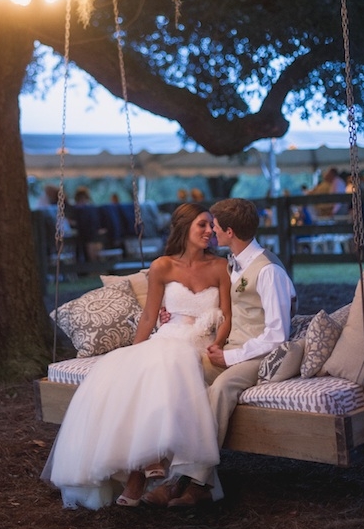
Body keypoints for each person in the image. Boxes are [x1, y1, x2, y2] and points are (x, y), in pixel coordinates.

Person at [41, 203, 232, 509]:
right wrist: (136, 350)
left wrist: (219, 343)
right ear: (184, 228)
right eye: (203, 225)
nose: (211, 231)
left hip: (200, 342)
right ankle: (145, 462)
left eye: (212, 225)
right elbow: (148, 317)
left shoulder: (220, 266)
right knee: (129, 367)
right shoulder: (163, 266)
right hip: (168, 337)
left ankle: (140, 474)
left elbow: (227, 313)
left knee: (172, 362)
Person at [143, 197, 296, 507]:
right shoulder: (232, 262)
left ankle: (193, 482)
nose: (211, 231)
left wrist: (230, 357)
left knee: (222, 388)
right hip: (230, 348)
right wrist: (172, 313)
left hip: (259, 356)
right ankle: (175, 474)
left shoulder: (268, 271)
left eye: (213, 226)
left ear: (228, 231)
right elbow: (221, 305)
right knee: (182, 373)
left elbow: (278, 335)